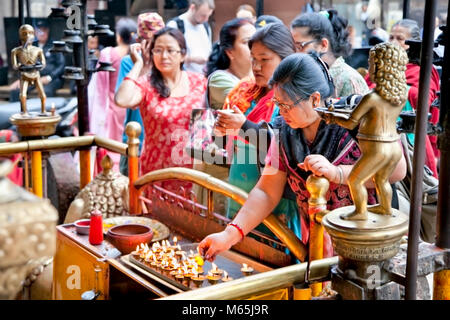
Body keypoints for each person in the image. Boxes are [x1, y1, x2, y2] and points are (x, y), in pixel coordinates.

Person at [199, 53, 407, 261]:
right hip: (319, 243)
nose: (281, 112)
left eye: (286, 105)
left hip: (371, 241)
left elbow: (396, 169)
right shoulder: (284, 131)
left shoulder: (355, 116)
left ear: (315, 98)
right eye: (278, 104)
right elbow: (267, 191)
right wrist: (229, 234)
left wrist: (338, 173)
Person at [213, 23, 301, 241]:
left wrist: (242, 127)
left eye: (264, 59)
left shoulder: (294, 99)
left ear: (286, 58)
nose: (256, 66)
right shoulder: (245, 93)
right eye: (253, 59)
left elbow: (284, 145)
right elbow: (225, 144)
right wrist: (223, 129)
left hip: (275, 199)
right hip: (239, 190)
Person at [320, 42, 408, 220]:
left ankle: (360, 212)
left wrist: (331, 117)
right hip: (393, 147)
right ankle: (385, 208)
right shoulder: (401, 94)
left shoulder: (372, 97)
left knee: (355, 180)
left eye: (371, 63)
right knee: (381, 180)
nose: (368, 68)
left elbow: (351, 123)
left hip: (376, 148)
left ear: (381, 66)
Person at [115, 27, 207, 194]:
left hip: (193, 175)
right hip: (156, 175)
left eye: (170, 50)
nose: (164, 56)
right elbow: (122, 99)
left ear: (182, 55)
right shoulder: (146, 84)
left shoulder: (200, 83)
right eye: (158, 50)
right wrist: (138, 65)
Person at [192, 18, 256, 214]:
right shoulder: (221, 79)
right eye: (247, 42)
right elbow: (253, 109)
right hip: (222, 173)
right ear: (229, 51)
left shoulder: (252, 81)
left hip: (244, 170)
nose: (254, 46)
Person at [365, 19, 440, 177]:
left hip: (409, 139)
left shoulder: (420, 70)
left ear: (413, 44)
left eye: (399, 38)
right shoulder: (380, 65)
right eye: (391, 37)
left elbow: (423, 101)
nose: (393, 42)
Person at [114, 13, 165, 176]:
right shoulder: (129, 63)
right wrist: (140, 66)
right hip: (136, 140)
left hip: (164, 142)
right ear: (140, 42)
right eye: (149, 42)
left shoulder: (167, 61)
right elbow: (126, 100)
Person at [88, 18, 137, 170]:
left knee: (110, 148)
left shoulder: (108, 53)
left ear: (118, 36)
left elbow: (100, 85)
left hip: (111, 106)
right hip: (131, 105)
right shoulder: (137, 56)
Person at [290, 9, 369, 97]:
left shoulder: (349, 80)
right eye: (293, 47)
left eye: (300, 46)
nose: (295, 53)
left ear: (323, 45)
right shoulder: (303, 77)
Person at [10, 20, 65, 103]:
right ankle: (20, 113)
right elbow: (26, 64)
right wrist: (22, 79)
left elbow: (61, 65)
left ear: (48, 31)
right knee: (17, 90)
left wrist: (49, 77)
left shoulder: (54, 45)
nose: (42, 33)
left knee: (46, 92)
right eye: (39, 30)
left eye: (44, 30)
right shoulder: (32, 46)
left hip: (52, 78)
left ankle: (44, 114)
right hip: (34, 76)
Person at [167, 0, 215, 74]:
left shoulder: (206, 26)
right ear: (192, 8)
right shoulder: (175, 25)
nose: (206, 19)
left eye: (208, 16)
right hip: (184, 76)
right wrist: (192, 59)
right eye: (203, 15)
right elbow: (169, 56)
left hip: (204, 76)